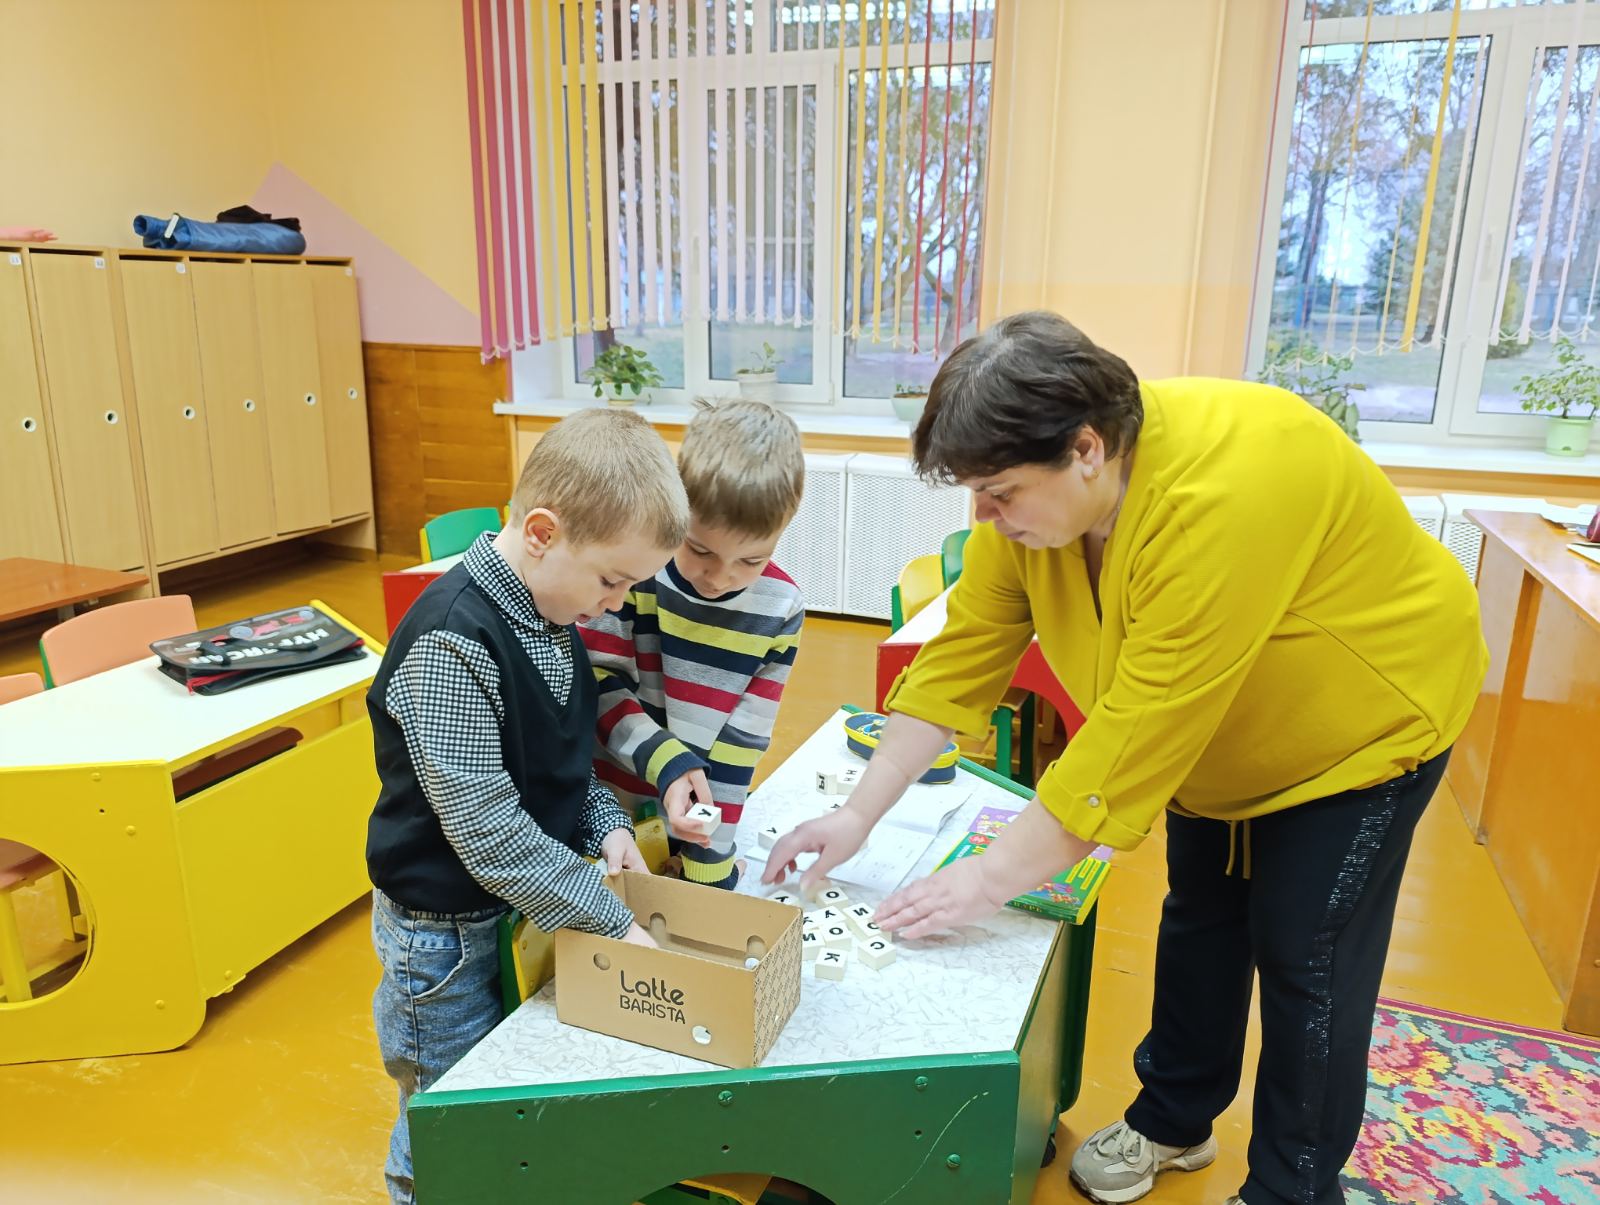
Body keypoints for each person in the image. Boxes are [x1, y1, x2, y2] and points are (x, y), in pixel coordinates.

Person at [765, 312, 1486, 1205]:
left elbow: (1133, 735)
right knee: (1201, 920)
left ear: (1087, 448)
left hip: (1364, 729)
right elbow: (962, 658)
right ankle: (1175, 1118)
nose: (983, 515)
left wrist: (984, 880)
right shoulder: (1033, 512)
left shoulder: (1225, 497)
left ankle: (1292, 1189)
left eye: (999, 492)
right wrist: (857, 812)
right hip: (1225, 742)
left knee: (1308, 958)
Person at [364, 408, 689, 1204]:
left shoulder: (550, 609)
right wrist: (611, 918)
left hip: (505, 912)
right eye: (612, 580)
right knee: (448, 1114)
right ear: (542, 532)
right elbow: (491, 832)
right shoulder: (451, 642)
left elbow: (556, 758)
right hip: (440, 939)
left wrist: (607, 825)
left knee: (497, 1090)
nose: (615, 603)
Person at [581, 399, 806, 890]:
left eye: (751, 561)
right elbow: (597, 686)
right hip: (609, 812)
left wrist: (710, 860)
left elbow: (740, 746)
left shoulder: (781, 608)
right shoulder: (636, 574)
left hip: (692, 815)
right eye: (700, 550)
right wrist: (668, 763)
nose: (720, 578)